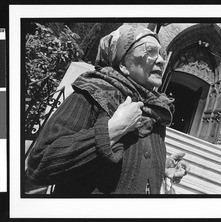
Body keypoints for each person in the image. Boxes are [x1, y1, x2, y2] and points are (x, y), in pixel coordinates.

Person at [26, 24, 190, 196]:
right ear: (123, 64)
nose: (161, 60)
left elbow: (127, 164)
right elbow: (39, 166)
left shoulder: (156, 111)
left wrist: (159, 167)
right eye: (150, 51)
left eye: (161, 53)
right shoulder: (93, 94)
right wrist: (113, 130)